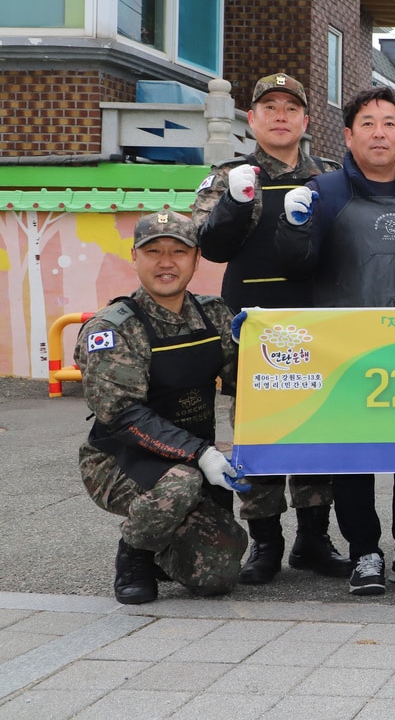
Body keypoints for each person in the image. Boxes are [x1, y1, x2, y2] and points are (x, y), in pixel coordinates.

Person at [276, 86, 395, 595]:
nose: (380, 132)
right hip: (344, 349)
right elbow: (296, 269)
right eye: (368, 123)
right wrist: (292, 226)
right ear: (348, 134)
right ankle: (364, 552)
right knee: (353, 455)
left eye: (389, 123)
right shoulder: (324, 192)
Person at [190, 72, 350, 586]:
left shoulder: (329, 175)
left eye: (290, 108)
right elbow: (209, 246)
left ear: (305, 119)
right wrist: (236, 203)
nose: (280, 116)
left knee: (316, 428)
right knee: (257, 431)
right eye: (269, 108)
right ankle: (265, 541)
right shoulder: (228, 176)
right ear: (252, 119)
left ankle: (312, 538)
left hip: (314, 322)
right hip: (253, 328)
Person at [77, 210, 247, 604]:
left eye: (178, 251)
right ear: (134, 257)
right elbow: (122, 415)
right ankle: (134, 554)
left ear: (196, 258)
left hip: (191, 456)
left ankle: (160, 544)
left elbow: (245, 382)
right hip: (119, 458)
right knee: (180, 483)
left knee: (217, 576)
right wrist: (200, 454)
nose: (166, 262)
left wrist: (273, 351)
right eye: (153, 251)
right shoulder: (112, 328)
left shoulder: (214, 313)